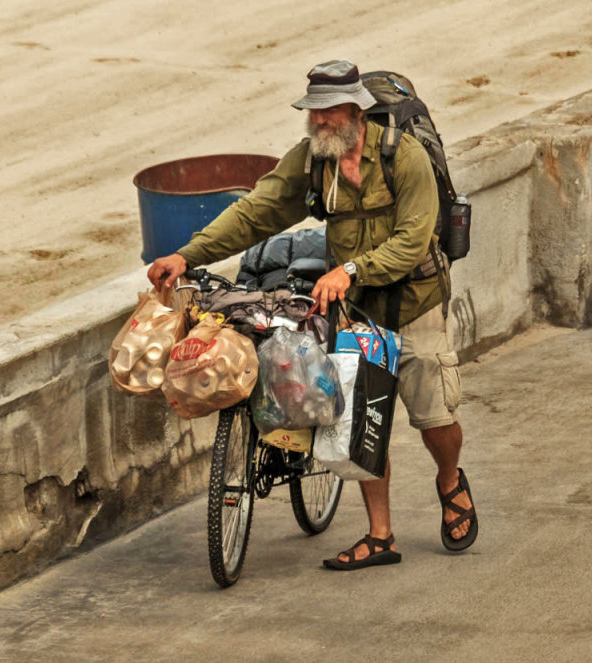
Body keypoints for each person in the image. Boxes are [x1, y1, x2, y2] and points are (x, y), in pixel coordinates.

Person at [147, 59, 478, 570]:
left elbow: (413, 242)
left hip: (415, 303)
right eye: (313, 113)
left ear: (354, 111)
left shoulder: (404, 158)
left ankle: (450, 479)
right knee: (362, 422)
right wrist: (189, 255)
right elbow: (256, 211)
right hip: (356, 311)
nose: (318, 122)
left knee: (435, 418)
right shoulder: (313, 161)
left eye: (327, 114)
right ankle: (381, 535)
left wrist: (350, 268)